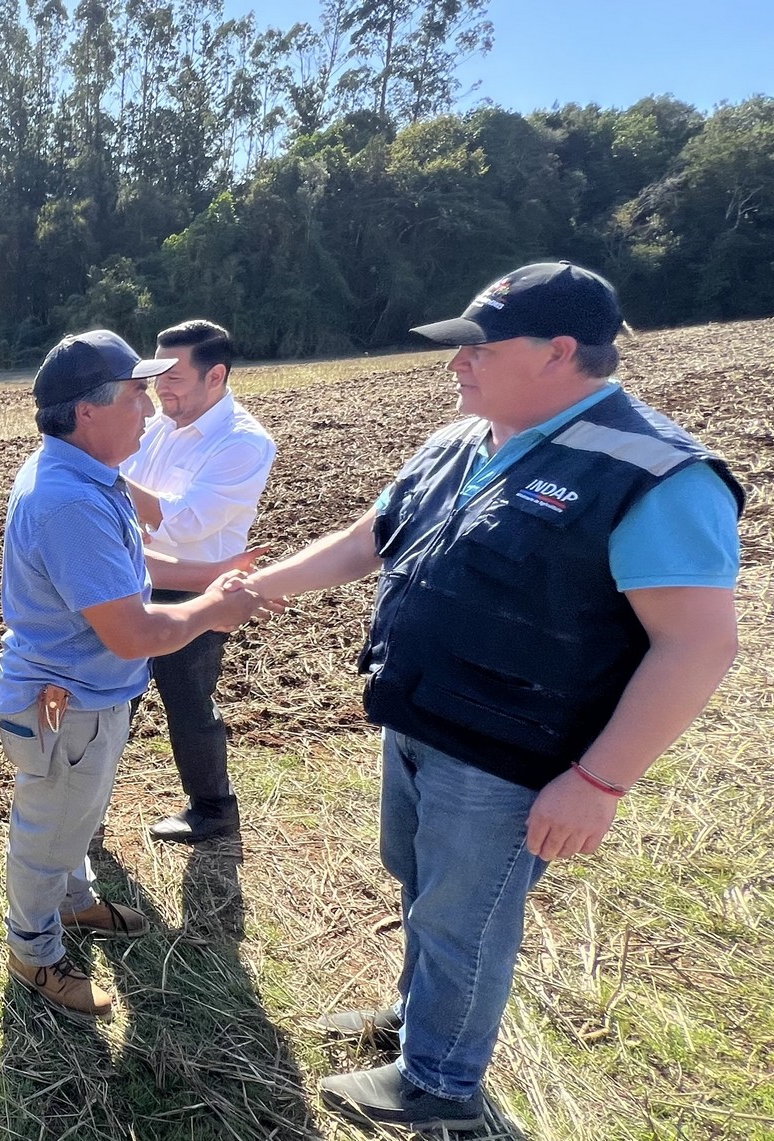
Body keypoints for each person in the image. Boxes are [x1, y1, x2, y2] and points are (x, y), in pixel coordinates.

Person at [240, 262, 742, 1130]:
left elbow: (697, 644)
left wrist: (598, 781)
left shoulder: (656, 472)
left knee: (465, 915)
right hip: (421, 717)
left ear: (558, 351)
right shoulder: (466, 438)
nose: (457, 363)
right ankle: (421, 1023)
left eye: (479, 345)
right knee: (425, 885)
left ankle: (440, 1087)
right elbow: (373, 535)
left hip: (514, 750)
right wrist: (256, 589)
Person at [0, 329, 275, 1019]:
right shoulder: (70, 499)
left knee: (77, 814)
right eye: (137, 395)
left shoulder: (90, 475)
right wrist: (212, 609)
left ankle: (75, 901)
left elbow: (129, 570)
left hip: (88, 700)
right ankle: (33, 950)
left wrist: (211, 573)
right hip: (66, 704)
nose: (151, 411)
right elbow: (133, 629)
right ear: (88, 411)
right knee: (50, 828)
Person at [122, 320, 278, 844]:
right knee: (113, 692)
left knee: (187, 700)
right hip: (139, 573)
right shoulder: (163, 427)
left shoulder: (243, 442)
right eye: (157, 375)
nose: (161, 387)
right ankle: (88, 802)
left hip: (196, 588)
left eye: (174, 376)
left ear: (216, 376)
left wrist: (101, 473)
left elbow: (184, 522)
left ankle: (213, 810)